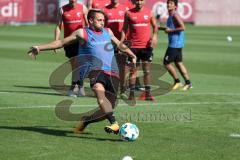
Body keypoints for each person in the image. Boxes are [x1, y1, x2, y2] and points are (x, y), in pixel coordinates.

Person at [28, 9, 137, 134]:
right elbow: (61, 42)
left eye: (103, 20)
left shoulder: (108, 31)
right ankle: (115, 124)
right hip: (95, 71)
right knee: (98, 90)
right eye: (99, 20)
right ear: (91, 20)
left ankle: (86, 121)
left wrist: (131, 54)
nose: (103, 23)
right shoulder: (82, 33)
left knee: (106, 110)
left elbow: (119, 44)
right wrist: (39, 48)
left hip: (112, 72)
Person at [121, 0, 158, 101]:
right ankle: (131, 95)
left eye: (141, 0)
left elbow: (155, 26)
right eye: (137, 0)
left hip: (146, 46)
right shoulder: (128, 13)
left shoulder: (149, 12)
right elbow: (124, 29)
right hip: (133, 47)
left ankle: (148, 94)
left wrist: (154, 37)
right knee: (133, 71)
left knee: (147, 71)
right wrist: (121, 42)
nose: (139, 2)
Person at [55, 0, 88, 97]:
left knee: (80, 64)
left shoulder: (83, 8)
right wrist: (56, 42)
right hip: (68, 42)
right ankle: (77, 87)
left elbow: (88, 25)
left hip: (81, 41)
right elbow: (58, 26)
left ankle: (76, 88)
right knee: (74, 65)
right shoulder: (62, 10)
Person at [163, 0, 192, 90]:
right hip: (177, 44)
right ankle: (188, 83)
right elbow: (171, 28)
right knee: (178, 63)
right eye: (168, 3)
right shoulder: (170, 16)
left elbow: (183, 27)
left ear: (175, 6)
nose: (168, 5)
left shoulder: (175, 15)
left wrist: (170, 31)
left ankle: (177, 81)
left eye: (171, 3)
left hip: (174, 44)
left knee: (166, 63)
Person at [103, 0, 129, 96]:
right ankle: (110, 88)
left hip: (122, 42)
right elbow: (102, 27)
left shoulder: (125, 9)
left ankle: (123, 90)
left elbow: (127, 26)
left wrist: (123, 42)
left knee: (123, 66)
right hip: (108, 43)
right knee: (109, 66)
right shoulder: (104, 10)